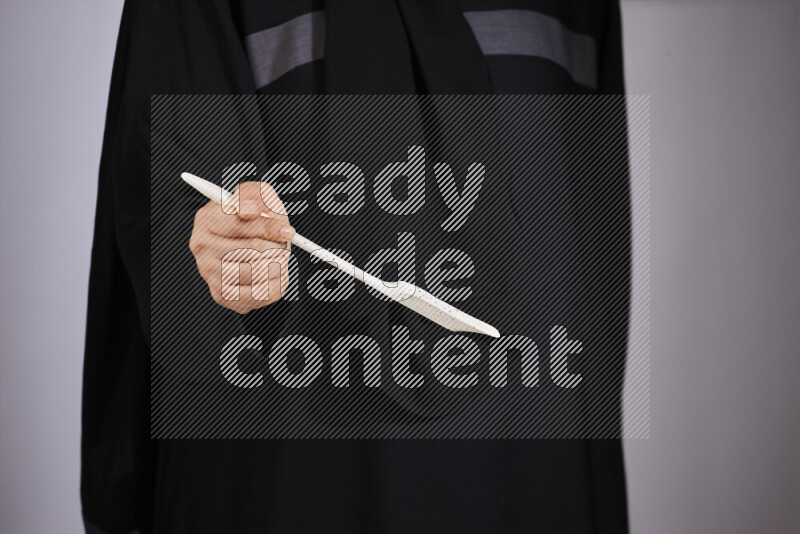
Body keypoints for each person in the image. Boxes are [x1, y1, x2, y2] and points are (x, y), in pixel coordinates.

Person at [83, 1, 630, 532]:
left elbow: (594, 247)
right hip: (284, 472)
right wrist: (217, 254)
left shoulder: (575, 8)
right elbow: (165, 217)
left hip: (536, 465)